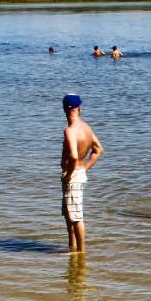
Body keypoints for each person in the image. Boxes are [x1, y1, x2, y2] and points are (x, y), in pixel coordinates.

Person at [60, 94, 104, 254]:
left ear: (65, 109)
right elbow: (98, 150)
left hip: (72, 176)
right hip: (78, 173)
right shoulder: (86, 128)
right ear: (79, 108)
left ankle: (81, 253)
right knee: (69, 214)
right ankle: (72, 248)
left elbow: (73, 155)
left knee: (76, 216)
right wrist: (85, 168)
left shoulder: (70, 131)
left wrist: (69, 174)